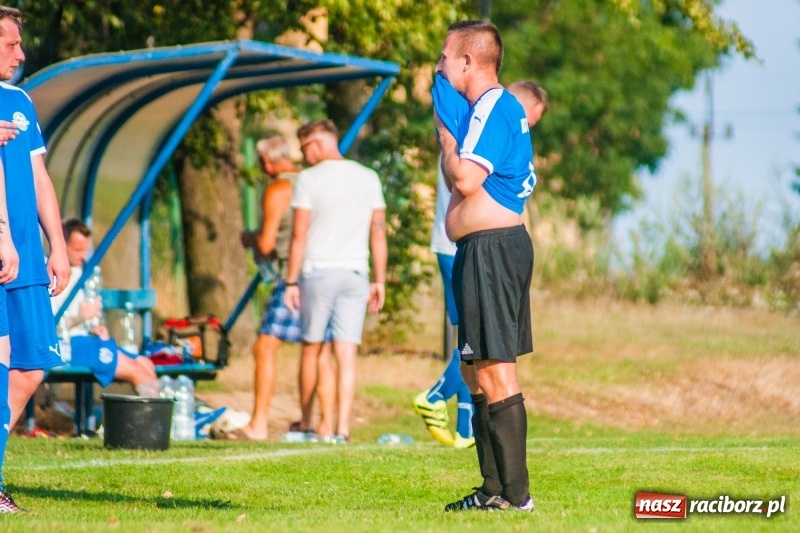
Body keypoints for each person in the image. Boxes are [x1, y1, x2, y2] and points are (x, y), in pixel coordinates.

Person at [434, 20, 536, 512]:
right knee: (475, 372)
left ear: (469, 61)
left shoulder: (494, 105)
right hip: (479, 252)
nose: (439, 66)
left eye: (445, 57)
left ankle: (517, 497)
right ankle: (492, 489)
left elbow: (466, 178)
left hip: (494, 250)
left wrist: (446, 136)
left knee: (496, 371)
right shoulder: (481, 110)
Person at [413, 79, 548, 450]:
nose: (525, 128)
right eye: (526, 119)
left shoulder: (493, 128)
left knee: (480, 355)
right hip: (463, 247)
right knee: (478, 351)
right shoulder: (485, 122)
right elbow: (462, 179)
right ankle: (437, 395)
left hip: (485, 246)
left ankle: (465, 431)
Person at [0, 6, 71, 513]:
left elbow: (39, 178)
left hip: (24, 257)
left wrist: (58, 245)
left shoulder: (20, 102)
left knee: (27, 369)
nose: (21, 54)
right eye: (10, 44)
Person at [284, 119, 387, 443]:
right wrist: (379, 280)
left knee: (312, 349)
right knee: (346, 353)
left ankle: (306, 421)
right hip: (356, 274)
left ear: (316, 143)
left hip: (318, 272)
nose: (303, 156)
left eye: (304, 148)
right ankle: (342, 428)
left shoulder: (308, 179)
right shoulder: (368, 176)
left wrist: (289, 281)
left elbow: (299, 235)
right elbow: (379, 232)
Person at [236, 135, 332, 441]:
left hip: (293, 275)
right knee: (317, 352)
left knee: (264, 347)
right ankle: (324, 424)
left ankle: (259, 423)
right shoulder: (312, 182)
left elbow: (266, 243)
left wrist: (249, 239)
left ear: (266, 161)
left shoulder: (280, 189)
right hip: (322, 272)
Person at [49, 219, 159, 399]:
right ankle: (152, 424)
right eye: (77, 250)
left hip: (85, 340)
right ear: (61, 244)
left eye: (85, 250)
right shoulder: (49, 273)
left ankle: (162, 417)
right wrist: (80, 317)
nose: (83, 256)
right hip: (66, 346)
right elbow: (48, 327)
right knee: (136, 372)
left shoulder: (79, 272)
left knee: (144, 363)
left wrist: (94, 329)